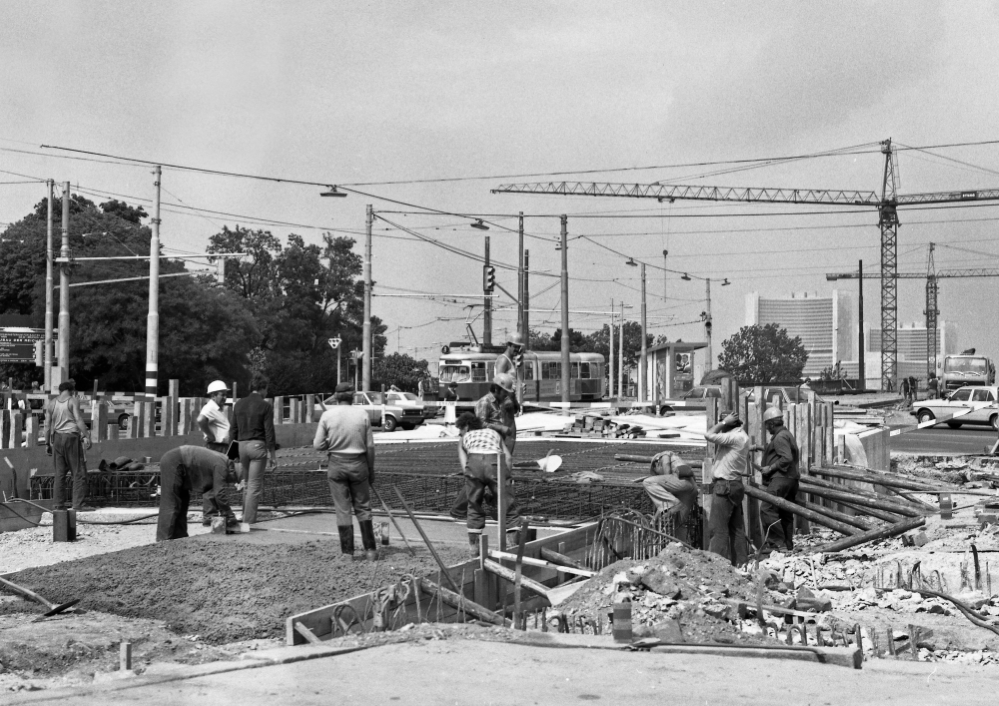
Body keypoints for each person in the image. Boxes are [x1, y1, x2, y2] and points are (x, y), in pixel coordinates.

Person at [313, 382, 378, 560]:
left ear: (335, 397)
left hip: (337, 463)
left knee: (343, 510)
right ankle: (370, 550)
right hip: (359, 464)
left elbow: (317, 445)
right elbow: (370, 446)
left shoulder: (328, 415)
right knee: (363, 508)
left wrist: (330, 442)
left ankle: (347, 553)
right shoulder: (362, 414)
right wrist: (371, 469)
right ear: (353, 396)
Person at [450, 372, 520, 523]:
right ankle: (459, 509)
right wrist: (500, 428)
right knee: (479, 476)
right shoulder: (484, 402)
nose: (506, 395)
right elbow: (480, 424)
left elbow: (515, 410)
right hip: (484, 444)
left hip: (495, 443)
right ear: (497, 389)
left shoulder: (501, 401)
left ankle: (496, 507)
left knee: (486, 477)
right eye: (505, 392)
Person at [456, 412, 519, 556]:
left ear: (466, 426)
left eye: (460, 430)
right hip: (494, 461)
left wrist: (475, 484)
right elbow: (508, 458)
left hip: (473, 463)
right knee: (508, 507)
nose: (460, 434)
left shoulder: (464, 439)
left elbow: (465, 465)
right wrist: (505, 480)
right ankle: (512, 550)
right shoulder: (493, 433)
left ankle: (474, 552)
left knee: (473, 506)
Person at [156, 445, 238, 541]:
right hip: (174, 461)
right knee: (171, 502)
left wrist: (225, 513)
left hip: (180, 462)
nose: (228, 482)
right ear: (232, 471)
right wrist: (229, 515)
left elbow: (214, 491)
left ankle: (179, 539)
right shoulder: (222, 466)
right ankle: (162, 541)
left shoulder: (223, 461)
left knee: (183, 502)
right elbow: (219, 493)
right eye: (231, 480)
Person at [703, 410, 750, 566]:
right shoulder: (741, 436)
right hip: (735, 485)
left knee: (718, 529)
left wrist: (724, 422)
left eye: (724, 426)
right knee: (736, 529)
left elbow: (709, 435)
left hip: (725, 486)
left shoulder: (734, 437)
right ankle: (741, 564)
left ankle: (715, 567)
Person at [751, 406, 800, 552]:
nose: (767, 429)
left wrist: (770, 468)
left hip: (781, 479)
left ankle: (777, 544)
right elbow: (777, 450)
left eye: (767, 425)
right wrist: (758, 447)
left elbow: (786, 457)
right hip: (791, 480)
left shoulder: (779, 438)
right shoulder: (785, 434)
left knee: (767, 508)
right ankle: (787, 546)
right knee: (785, 512)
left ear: (771, 423)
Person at [231, 374, 276, 525]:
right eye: (266, 389)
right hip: (257, 446)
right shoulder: (265, 405)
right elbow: (269, 432)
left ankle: (244, 516)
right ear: (262, 388)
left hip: (242, 446)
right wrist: (273, 455)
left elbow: (233, 430)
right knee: (255, 486)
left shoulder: (238, 404)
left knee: (246, 483)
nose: (267, 393)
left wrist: (233, 454)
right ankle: (248, 523)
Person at [46, 380, 92, 511]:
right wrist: (87, 435)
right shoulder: (72, 401)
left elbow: (47, 425)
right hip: (71, 438)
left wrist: (47, 443)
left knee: (59, 474)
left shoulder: (52, 403)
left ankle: (58, 505)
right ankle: (78, 505)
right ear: (71, 391)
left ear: (60, 391)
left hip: (57, 439)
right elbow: (78, 419)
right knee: (78, 472)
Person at [642, 450, 698, 544]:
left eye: (656, 473)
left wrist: (665, 479)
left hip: (683, 483)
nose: (658, 476)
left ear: (656, 464)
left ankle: (674, 503)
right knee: (679, 524)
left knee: (647, 482)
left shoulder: (663, 456)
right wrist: (654, 520)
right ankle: (684, 549)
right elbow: (663, 505)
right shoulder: (674, 486)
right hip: (690, 489)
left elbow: (666, 463)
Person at [197, 380, 231, 526]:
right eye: (222, 395)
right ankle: (211, 516)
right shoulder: (210, 407)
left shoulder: (217, 408)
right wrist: (210, 435)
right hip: (215, 447)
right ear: (213, 395)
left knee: (215, 482)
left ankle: (212, 515)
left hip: (219, 447)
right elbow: (200, 420)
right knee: (214, 482)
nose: (224, 398)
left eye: (225, 395)